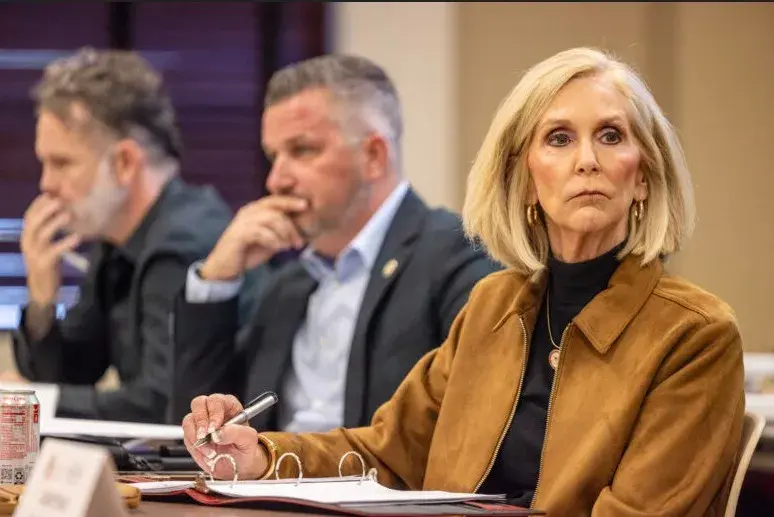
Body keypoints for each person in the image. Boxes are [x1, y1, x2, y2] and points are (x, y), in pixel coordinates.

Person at [182, 47, 745, 516]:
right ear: (525, 179)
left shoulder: (695, 334)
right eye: (559, 138)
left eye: (611, 136)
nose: (587, 160)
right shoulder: (494, 304)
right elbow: (388, 452)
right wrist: (259, 457)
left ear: (643, 175)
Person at [172, 54, 500, 433]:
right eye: (273, 156)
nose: (276, 180)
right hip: (270, 471)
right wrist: (217, 279)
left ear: (373, 156)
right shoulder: (287, 287)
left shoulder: (459, 256)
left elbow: (476, 427)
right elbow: (200, 431)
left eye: (302, 150)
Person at [10, 48, 256, 423]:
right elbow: (75, 373)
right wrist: (42, 300)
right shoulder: (115, 240)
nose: (46, 184)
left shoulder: (184, 242)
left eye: (61, 163)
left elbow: (164, 406)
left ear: (125, 162)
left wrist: (30, 402)